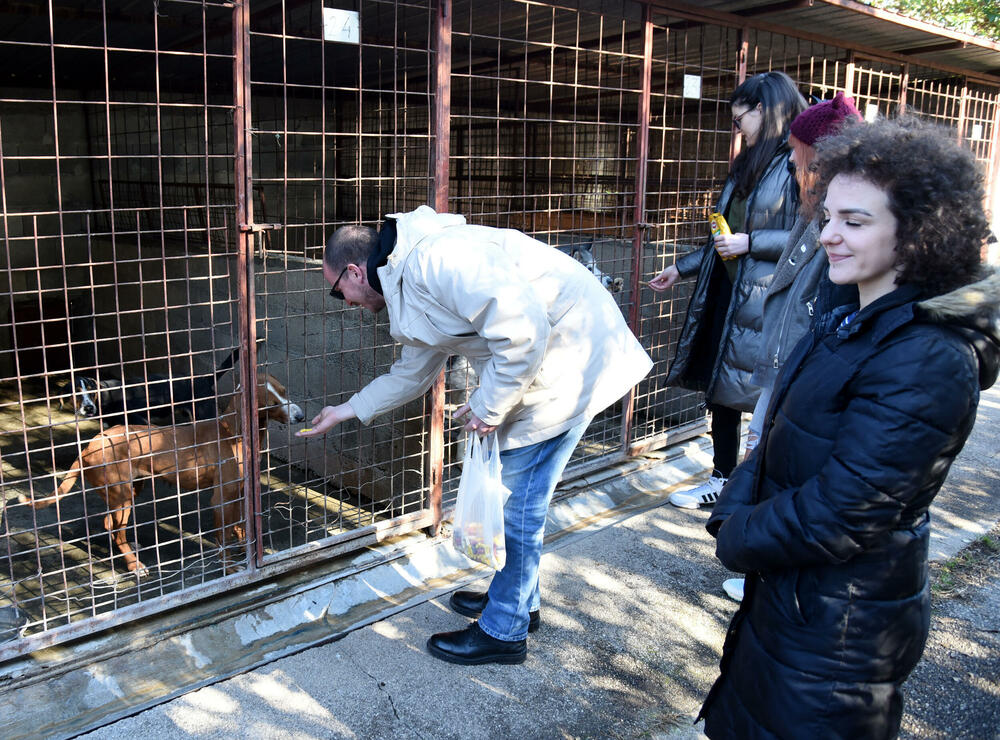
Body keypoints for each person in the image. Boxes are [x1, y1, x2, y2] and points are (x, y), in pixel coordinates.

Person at [700, 116, 999, 738]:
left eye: (854, 223)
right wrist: (735, 506)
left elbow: (849, 509)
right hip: (794, 595)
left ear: (920, 233)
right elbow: (777, 432)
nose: (828, 236)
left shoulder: (928, 356)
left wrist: (739, 536)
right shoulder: (854, 310)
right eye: (828, 215)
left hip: (840, 624)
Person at [298, 206, 652, 665]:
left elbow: (524, 330)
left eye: (336, 292)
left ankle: (505, 631)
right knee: (516, 502)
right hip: (541, 367)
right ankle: (520, 602)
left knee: (518, 506)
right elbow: (412, 371)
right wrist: (345, 411)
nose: (344, 302)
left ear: (353, 271)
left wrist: (488, 406)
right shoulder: (405, 279)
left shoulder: (438, 258)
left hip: (570, 360)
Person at [722, 91, 862, 603]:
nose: (793, 164)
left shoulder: (837, 216)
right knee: (762, 454)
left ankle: (769, 570)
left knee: (782, 466)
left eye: (799, 156)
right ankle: (760, 567)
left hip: (808, 373)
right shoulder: (817, 205)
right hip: (788, 361)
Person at [649, 71, 807, 509]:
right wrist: (681, 269)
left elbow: (808, 234)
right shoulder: (750, 163)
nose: (737, 130)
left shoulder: (795, 162)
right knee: (722, 391)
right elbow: (726, 235)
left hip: (765, 300)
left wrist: (752, 243)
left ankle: (757, 490)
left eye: (741, 120)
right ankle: (721, 477)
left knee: (762, 399)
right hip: (728, 292)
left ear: (763, 109)